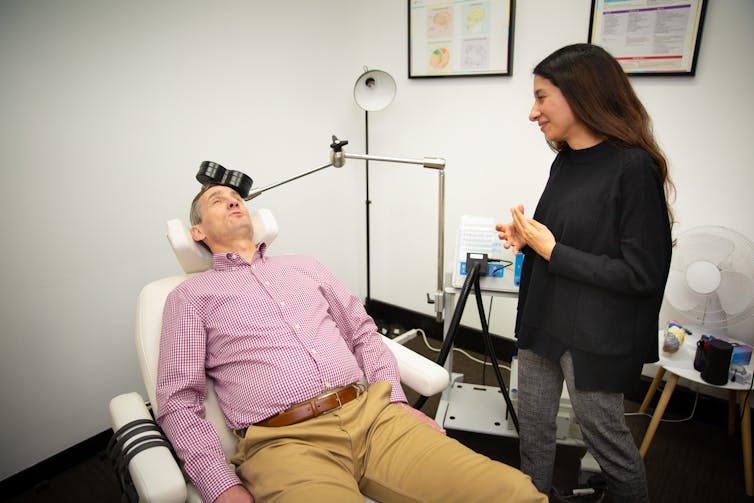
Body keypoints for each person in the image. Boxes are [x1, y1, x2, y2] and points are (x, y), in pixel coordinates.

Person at [157, 183, 547, 503]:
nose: (232, 200)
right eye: (217, 200)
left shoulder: (304, 267)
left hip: (374, 418)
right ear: (197, 232)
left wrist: (394, 399)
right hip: (286, 444)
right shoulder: (191, 297)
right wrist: (220, 485)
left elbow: (363, 334)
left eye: (237, 197)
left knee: (514, 492)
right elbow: (178, 401)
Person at [496, 43, 673, 502]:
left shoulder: (633, 168)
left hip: (595, 334)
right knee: (533, 432)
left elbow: (643, 274)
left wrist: (552, 250)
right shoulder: (567, 160)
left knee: (608, 445)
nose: (533, 113)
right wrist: (526, 240)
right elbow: (567, 236)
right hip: (544, 317)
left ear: (580, 94)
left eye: (541, 97)